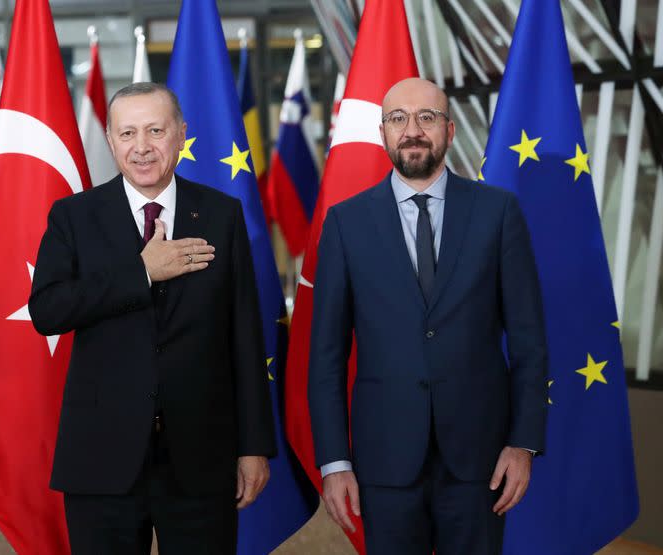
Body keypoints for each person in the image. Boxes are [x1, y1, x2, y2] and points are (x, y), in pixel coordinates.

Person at [28, 82, 276, 555]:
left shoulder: (222, 214)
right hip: (102, 459)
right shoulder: (74, 216)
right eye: (127, 133)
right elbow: (48, 309)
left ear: (181, 134)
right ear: (110, 140)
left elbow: (244, 334)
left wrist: (253, 446)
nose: (141, 147)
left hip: (201, 458)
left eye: (155, 130)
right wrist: (142, 271)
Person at [308, 77, 548, 555]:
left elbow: (529, 341)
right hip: (384, 461)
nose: (412, 130)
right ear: (383, 133)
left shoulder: (498, 212)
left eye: (427, 118)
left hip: (481, 461)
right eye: (398, 118)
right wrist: (335, 463)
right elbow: (327, 358)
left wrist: (523, 444)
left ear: (450, 131)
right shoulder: (345, 222)